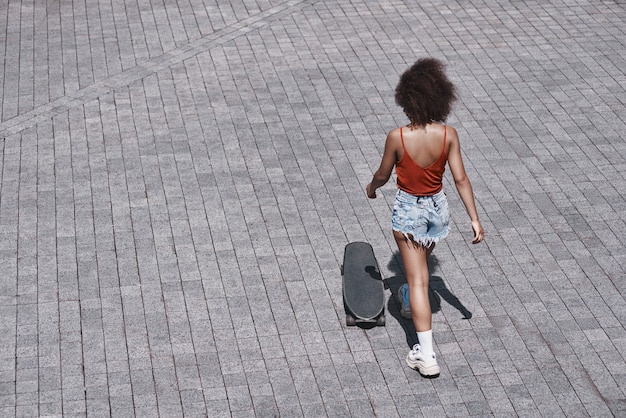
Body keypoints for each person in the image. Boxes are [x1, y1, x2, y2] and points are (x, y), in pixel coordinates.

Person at [366, 58, 484, 378]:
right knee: (418, 270)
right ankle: (406, 295)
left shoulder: (398, 137)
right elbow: (461, 179)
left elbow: (383, 174)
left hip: (409, 210)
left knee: (419, 280)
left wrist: (372, 188)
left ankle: (426, 355)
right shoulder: (448, 135)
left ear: (407, 99)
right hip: (437, 211)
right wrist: (474, 219)